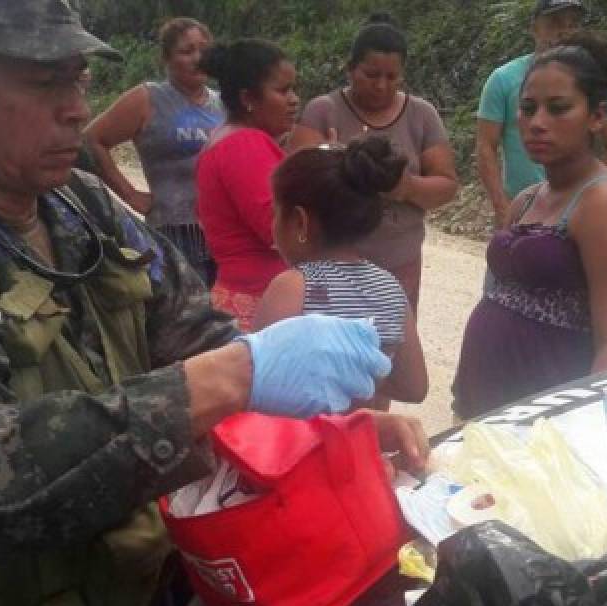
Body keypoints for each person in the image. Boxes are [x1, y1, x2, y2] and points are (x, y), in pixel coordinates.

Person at [0, 2, 422, 606]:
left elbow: (195, 333)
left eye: (78, 80)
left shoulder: (83, 204)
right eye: (44, 81)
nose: (78, 110)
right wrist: (232, 375)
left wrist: (321, 433)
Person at [451, 34, 607, 420]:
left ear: (596, 116)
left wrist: (590, 425)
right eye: (528, 109)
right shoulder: (526, 199)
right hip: (484, 401)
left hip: (546, 412)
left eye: (558, 109)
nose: (537, 123)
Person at [289, 14, 458, 311]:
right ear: (350, 69)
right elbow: (295, 183)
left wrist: (406, 187)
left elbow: (446, 185)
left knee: (392, 345)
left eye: (391, 77)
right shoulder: (323, 111)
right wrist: (337, 162)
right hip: (332, 263)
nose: (381, 85)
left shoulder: (421, 115)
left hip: (399, 262)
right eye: (371, 74)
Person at [254, 137, 429, 409]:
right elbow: (415, 388)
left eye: (277, 212)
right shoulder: (390, 288)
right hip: (365, 442)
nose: (273, 224)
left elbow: (261, 385)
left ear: (300, 221)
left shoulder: (293, 287)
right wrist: (362, 384)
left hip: (304, 446)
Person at [84, 17, 223, 286]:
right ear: (167, 59)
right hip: (174, 232)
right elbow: (92, 139)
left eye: (203, 49)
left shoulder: (223, 101)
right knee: (190, 316)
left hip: (223, 231)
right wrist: (130, 194)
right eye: (186, 51)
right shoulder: (149, 98)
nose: (198, 58)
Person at [475, 0, 607, 229]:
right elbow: (486, 145)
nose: (563, 31)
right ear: (534, 27)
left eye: (572, 23)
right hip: (522, 209)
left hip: (578, 210)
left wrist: (601, 195)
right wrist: (503, 207)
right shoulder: (503, 80)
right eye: (554, 22)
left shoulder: (598, 82)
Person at [195, 38, 299, 331]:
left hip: (249, 294)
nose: (293, 99)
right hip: (259, 301)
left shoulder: (230, 138)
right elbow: (279, 230)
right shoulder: (244, 144)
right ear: (248, 99)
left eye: (293, 89)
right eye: (282, 90)